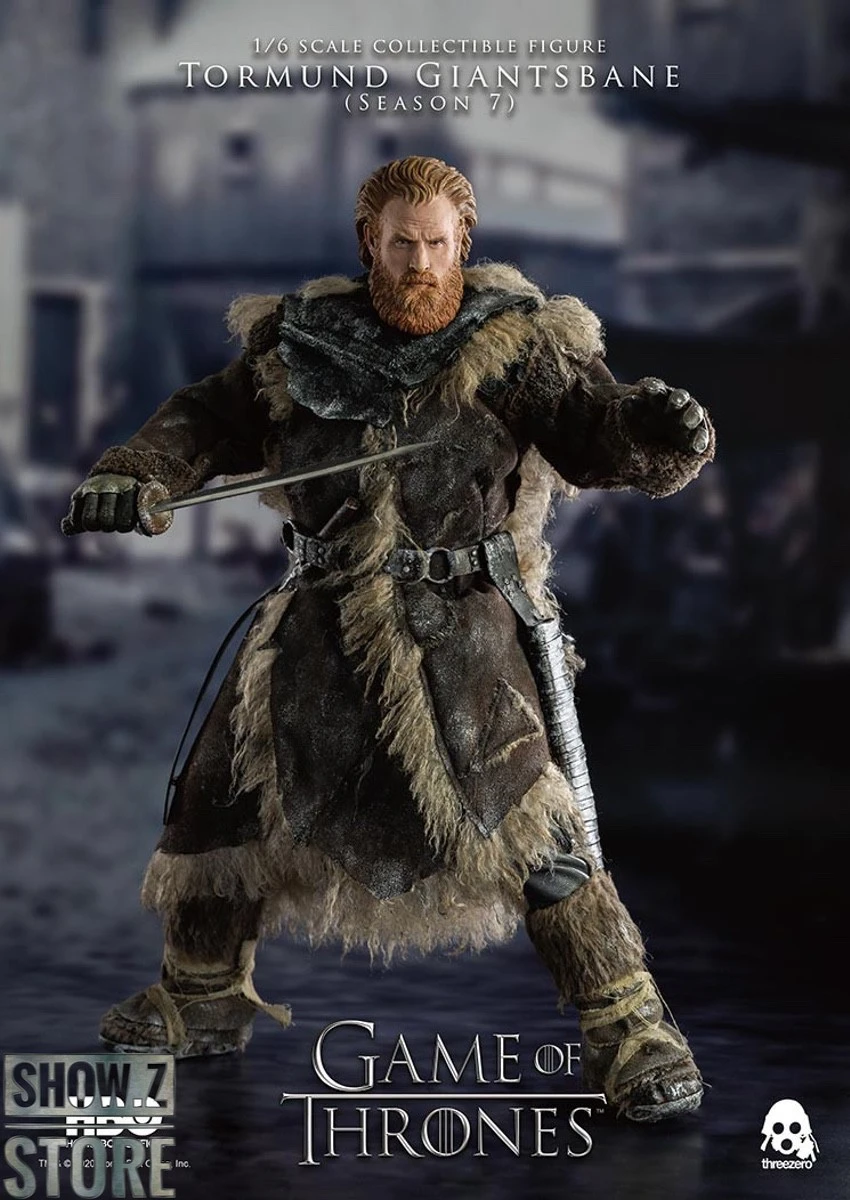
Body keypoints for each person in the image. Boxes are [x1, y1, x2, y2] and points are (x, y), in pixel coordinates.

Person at [63, 156, 714, 1123]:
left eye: (438, 244)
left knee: (527, 819)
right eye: (402, 243)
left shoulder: (517, 343)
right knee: (220, 796)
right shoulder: (299, 343)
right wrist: (137, 472)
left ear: (465, 242)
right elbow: (206, 417)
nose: (420, 264)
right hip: (319, 617)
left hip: (464, 626)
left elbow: (595, 436)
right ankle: (201, 995)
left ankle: (630, 1027)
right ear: (369, 243)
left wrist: (654, 431)